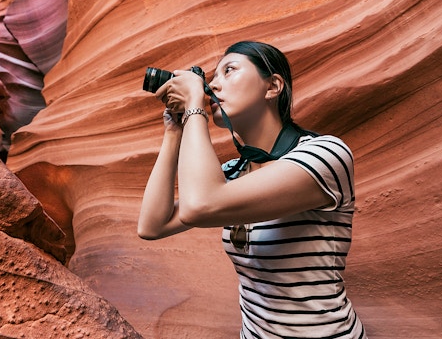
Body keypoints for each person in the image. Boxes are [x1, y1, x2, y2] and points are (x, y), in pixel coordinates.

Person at [138, 41, 367, 338]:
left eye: (228, 71)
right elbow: (152, 225)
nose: (212, 87)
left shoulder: (325, 154)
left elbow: (200, 205)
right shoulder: (234, 172)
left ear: (272, 86)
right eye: (210, 79)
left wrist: (196, 106)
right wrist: (174, 129)